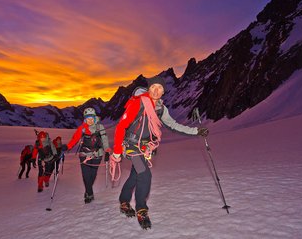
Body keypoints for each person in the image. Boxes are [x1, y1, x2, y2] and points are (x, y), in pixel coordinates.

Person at [111, 76, 209, 229]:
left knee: (135, 175)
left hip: (145, 147)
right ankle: (141, 209)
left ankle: (123, 201)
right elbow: (120, 127)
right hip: (131, 144)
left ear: (164, 91)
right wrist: (117, 151)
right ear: (148, 89)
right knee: (144, 174)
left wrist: (196, 131)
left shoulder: (161, 108)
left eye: (160, 88)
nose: (156, 91)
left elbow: (173, 125)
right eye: (153, 87)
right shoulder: (138, 103)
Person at [62, 107, 111, 204]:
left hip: (98, 154)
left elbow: (104, 139)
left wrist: (107, 150)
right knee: (86, 175)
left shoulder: (100, 127)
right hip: (84, 154)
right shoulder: (82, 128)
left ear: (95, 117)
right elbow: (75, 138)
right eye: (88, 118)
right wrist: (67, 147)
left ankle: (87, 190)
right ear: (85, 119)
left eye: (91, 118)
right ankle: (89, 193)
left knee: (92, 175)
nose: (90, 120)